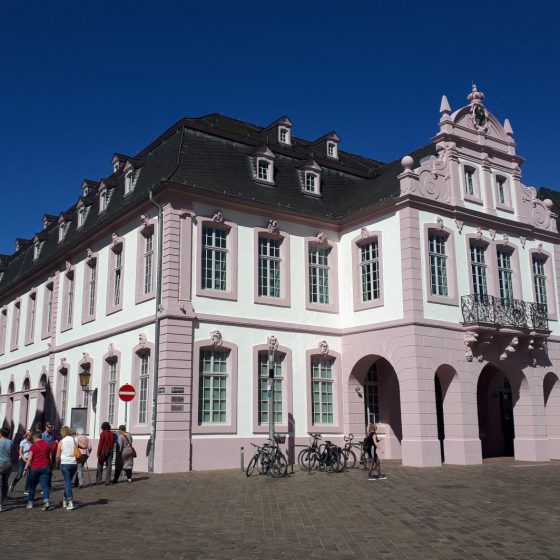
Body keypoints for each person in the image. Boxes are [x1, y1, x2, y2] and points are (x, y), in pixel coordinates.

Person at [24, 432, 52, 510]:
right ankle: (46, 501)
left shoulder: (33, 446)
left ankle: (30, 503)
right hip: (45, 468)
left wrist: (25, 469)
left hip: (35, 468)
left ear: (35, 438)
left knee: (32, 486)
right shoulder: (47, 445)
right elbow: (50, 458)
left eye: (33, 439)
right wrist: (50, 466)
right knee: (45, 486)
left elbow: (29, 459)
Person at [56, 426, 78, 510]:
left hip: (65, 463)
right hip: (74, 463)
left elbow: (58, 455)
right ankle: (64, 500)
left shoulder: (61, 441)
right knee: (68, 482)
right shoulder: (75, 440)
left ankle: (70, 502)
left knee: (67, 482)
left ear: (63, 433)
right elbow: (84, 446)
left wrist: (56, 463)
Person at [0, 427, 12, 512]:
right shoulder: (10, 442)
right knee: (5, 482)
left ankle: (0, 504)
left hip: (0, 463)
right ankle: (3, 499)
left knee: (0, 485)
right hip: (8, 464)